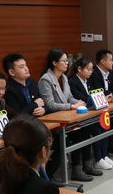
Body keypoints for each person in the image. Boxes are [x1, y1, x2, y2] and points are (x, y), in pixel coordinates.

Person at [38, 48, 99, 182]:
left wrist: (80, 103)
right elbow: (50, 104)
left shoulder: (64, 77)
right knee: (77, 135)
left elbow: (69, 97)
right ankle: (75, 169)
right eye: (64, 61)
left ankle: (86, 164)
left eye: (67, 60)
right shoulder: (46, 79)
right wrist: (71, 106)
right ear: (54, 63)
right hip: (54, 120)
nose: (67, 63)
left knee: (85, 130)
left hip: (66, 117)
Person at [68, 56, 113, 172]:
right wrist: (98, 99)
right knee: (97, 130)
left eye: (91, 69)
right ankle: (98, 159)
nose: (90, 72)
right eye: (88, 69)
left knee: (105, 126)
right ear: (79, 69)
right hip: (79, 117)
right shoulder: (72, 82)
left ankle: (103, 155)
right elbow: (81, 98)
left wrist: (104, 98)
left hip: (90, 114)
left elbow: (94, 94)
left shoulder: (88, 81)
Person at [3, 53, 45, 117]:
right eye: (22, 67)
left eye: (26, 65)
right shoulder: (8, 89)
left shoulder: (32, 82)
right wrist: (35, 104)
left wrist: (43, 109)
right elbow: (16, 113)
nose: (26, 69)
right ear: (11, 72)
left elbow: (41, 102)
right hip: (21, 122)